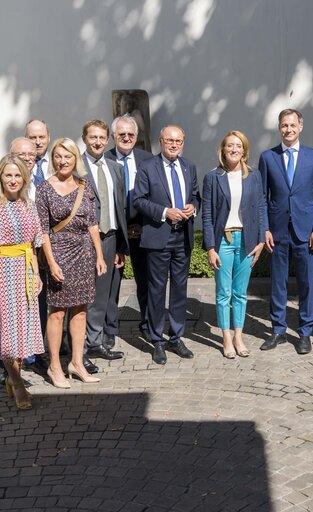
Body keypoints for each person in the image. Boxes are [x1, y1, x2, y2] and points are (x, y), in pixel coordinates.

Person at [36, 137, 107, 387]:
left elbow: (92, 224)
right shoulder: (44, 188)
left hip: (84, 252)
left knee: (80, 310)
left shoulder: (84, 186)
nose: (63, 161)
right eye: (58, 156)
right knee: (56, 313)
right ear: (53, 159)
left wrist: (99, 255)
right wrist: (51, 263)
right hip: (59, 253)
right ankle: (54, 365)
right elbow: (42, 231)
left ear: (75, 159)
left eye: (68, 156)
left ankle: (77, 363)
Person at [258, 108, 313, 355]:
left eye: (292, 125)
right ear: (279, 128)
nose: (288, 129)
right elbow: (262, 198)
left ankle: (305, 332)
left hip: (306, 232)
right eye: (284, 125)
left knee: (307, 284)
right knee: (278, 283)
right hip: (277, 232)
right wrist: (265, 228)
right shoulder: (268, 157)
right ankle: (278, 330)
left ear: (301, 127)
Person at [0, 154, 44, 409]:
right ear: (1, 178)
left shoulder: (30, 205)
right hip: (2, 272)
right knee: (6, 333)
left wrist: (37, 274)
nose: (13, 180)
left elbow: (33, 245)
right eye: (9, 175)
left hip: (25, 272)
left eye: (18, 175)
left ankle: (15, 376)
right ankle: (16, 382)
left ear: (24, 178)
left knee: (23, 332)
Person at [133, 125, 201, 365]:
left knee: (180, 289)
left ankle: (176, 337)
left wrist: (193, 207)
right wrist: (164, 212)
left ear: (183, 143)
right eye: (169, 140)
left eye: (178, 141)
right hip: (158, 236)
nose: (174, 145)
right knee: (157, 290)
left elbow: (196, 196)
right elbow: (138, 200)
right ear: (160, 142)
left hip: (182, 237)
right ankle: (157, 340)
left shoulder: (189, 166)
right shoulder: (147, 166)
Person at [202, 131, 266, 358]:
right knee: (223, 293)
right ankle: (226, 338)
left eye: (238, 145)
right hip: (223, 241)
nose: (234, 149)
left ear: (244, 150)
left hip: (246, 240)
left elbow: (260, 208)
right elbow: (207, 214)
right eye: (230, 145)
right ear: (223, 149)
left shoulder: (254, 176)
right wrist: (210, 247)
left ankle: (239, 336)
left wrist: (260, 240)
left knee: (240, 293)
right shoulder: (212, 178)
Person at [81, 120, 129, 374]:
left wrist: (121, 245)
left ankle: (95, 341)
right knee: (83, 297)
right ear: (85, 139)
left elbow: (120, 208)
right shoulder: (76, 167)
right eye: (93, 137)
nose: (98, 142)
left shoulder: (115, 168)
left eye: (102, 138)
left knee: (103, 294)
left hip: (110, 238)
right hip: (83, 241)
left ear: (108, 140)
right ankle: (80, 349)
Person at [104, 114, 153, 337]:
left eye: (130, 134)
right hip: (114, 231)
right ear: (114, 137)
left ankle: (148, 325)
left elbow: (154, 194)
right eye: (121, 134)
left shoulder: (147, 158)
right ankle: (109, 331)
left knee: (146, 281)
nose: (126, 137)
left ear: (136, 136)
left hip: (142, 228)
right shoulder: (103, 160)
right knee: (112, 284)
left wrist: (142, 225)